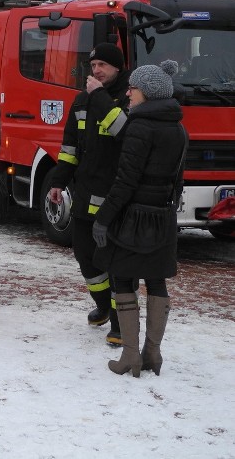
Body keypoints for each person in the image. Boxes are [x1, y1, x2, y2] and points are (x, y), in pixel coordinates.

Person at [91, 61, 186, 377]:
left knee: (122, 277)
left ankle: (130, 356)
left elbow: (126, 181)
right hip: (162, 216)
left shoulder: (139, 127)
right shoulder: (178, 127)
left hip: (132, 218)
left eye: (133, 87)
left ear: (147, 92)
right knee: (156, 279)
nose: (128, 92)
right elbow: (178, 181)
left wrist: (104, 218)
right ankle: (153, 355)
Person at [47, 43, 130, 345]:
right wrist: (58, 182)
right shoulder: (81, 101)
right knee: (85, 255)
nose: (95, 71)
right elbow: (70, 147)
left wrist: (99, 96)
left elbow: (124, 131)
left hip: (115, 198)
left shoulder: (128, 97)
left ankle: (121, 324)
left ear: (117, 68)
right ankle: (104, 306)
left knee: (117, 263)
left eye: (102, 66)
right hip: (85, 193)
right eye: (93, 66)